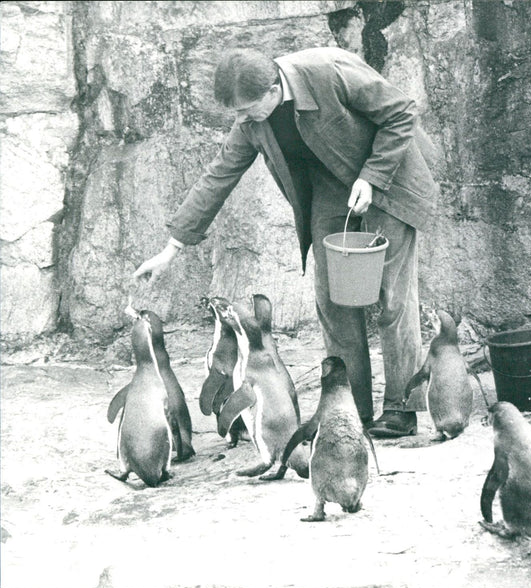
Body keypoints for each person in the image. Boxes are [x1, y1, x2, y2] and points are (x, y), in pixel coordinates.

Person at [134, 46, 438, 438]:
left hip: (389, 179)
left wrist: (373, 175)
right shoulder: (252, 122)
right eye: (237, 115)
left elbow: (400, 112)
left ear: (274, 88)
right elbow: (218, 176)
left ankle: (401, 408)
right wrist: (171, 246)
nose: (241, 121)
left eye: (246, 110)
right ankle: (348, 409)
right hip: (332, 190)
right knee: (333, 300)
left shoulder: (328, 72)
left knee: (393, 298)